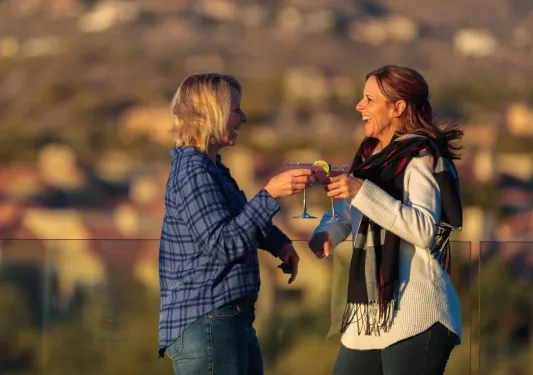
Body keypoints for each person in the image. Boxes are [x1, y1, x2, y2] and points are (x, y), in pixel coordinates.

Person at [309, 65, 463, 375]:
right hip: (370, 317)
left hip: (417, 315)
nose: (359, 106)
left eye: (369, 99)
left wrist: (361, 190)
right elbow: (351, 209)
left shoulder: (419, 158)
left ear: (398, 108)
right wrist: (327, 232)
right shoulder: (371, 156)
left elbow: (422, 230)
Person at [158, 73, 313, 375]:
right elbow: (223, 244)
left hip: (226, 320)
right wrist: (270, 193)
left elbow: (235, 217)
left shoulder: (211, 167)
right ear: (212, 114)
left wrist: (278, 242)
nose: (243, 118)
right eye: (236, 110)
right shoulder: (194, 172)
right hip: (209, 322)